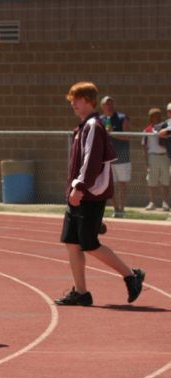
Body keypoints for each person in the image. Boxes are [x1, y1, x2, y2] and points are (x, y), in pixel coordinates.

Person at [54, 82, 144, 307]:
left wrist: (80, 188)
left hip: (88, 195)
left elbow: (91, 160)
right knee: (72, 243)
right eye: (72, 99)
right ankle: (81, 292)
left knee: (90, 244)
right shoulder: (83, 127)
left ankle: (131, 275)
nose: (73, 103)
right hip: (78, 194)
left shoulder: (93, 126)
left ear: (89, 101)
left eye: (77, 99)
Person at [98, 96, 131, 217]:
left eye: (111, 103)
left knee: (122, 184)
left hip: (122, 156)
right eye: (107, 104)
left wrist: (112, 133)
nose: (109, 106)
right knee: (109, 184)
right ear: (102, 106)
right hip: (107, 158)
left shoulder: (122, 118)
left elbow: (127, 136)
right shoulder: (99, 120)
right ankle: (115, 209)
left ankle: (122, 209)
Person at [141, 107, 170, 211]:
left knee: (165, 180)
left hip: (165, 156)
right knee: (152, 181)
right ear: (151, 118)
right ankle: (152, 202)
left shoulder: (166, 129)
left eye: (158, 115)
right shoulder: (147, 130)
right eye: (154, 116)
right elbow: (144, 146)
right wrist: (146, 162)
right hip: (152, 157)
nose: (157, 118)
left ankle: (165, 202)